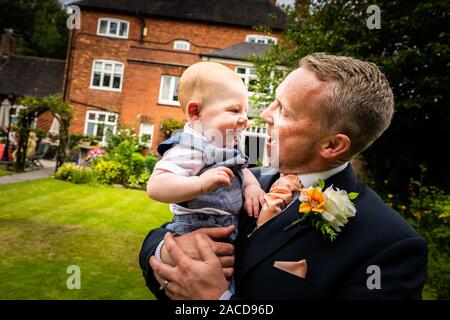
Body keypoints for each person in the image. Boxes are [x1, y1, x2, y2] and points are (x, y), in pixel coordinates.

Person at [140, 53, 428, 299]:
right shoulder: (244, 179)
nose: (264, 114)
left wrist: (217, 300)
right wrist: (169, 253)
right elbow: (158, 236)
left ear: (332, 145)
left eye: (284, 111)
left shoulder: (389, 248)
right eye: (273, 102)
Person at [146, 62, 266, 242]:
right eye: (234, 110)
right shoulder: (189, 148)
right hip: (194, 230)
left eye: (245, 112)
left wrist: (252, 186)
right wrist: (200, 184)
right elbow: (156, 187)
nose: (244, 120)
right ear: (196, 111)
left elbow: (241, 169)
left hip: (230, 226)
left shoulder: (227, 145)